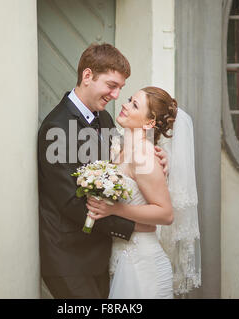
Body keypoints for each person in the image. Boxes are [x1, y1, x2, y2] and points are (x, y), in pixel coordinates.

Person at [37, 44, 168, 299]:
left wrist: (160, 156)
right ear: (87, 76)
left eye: (120, 88)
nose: (117, 95)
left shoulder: (105, 119)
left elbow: (125, 162)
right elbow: (71, 203)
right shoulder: (57, 128)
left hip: (102, 255)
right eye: (111, 85)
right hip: (69, 260)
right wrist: (132, 226)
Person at [86, 86, 201, 298]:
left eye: (134, 104)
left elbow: (165, 214)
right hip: (124, 259)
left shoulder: (143, 156)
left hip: (143, 267)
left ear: (149, 123)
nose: (125, 104)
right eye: (130, 99)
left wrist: (116, 209)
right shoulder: (122, 150)